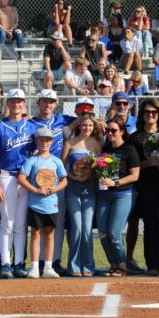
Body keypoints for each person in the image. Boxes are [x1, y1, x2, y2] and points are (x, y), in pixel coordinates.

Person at [0, 88, 36, 278]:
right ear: (7, 103)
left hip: (24, 178)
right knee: (7, 223)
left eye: (20, 101)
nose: (16, 104)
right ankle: (5, 264)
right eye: (13, 101)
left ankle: (19, 263)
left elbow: (36, 155)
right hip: (6, 176)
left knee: (21, 224)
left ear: (24, 104)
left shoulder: (31, 128)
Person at [17, 128, 67, 279]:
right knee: (35, 234)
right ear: (36, 141)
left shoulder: (56, 161)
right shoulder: (31, 160)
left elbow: (64, 180)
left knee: (50, 234)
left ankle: (48, 267)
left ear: (52, 142)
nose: (44, 142)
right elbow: (21, 178)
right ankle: (34, 268)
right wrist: (36, 190)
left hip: (51, 204)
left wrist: (55, 189)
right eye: (41, 140)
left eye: (47, 140)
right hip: (35, 204)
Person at [131, 99, 159, 275]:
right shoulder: (135, 137)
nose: (150, 115)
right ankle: (153, 264)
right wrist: (145, 163)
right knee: (151, 224)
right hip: (146, 184)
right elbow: (130, 165)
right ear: (142, 115)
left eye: (154, 112)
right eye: (147, 112)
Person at [96, 120, 141, 276]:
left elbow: (135, 175)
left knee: (114, 233)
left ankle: (122, 265)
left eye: (114, 130)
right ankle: (113, 265)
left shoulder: (129, 149)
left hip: (123, 194)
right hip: (105, 195)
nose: (110, 133)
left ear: (122, 131)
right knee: (102, 233)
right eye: (107, 130)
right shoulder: (105, 149)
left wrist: (115, 182)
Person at [61, 114, 102, 276]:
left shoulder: (97, 145)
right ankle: (74, 265)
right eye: (84, 125)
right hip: (72, 188)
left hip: (89, 189)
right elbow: (61, 166)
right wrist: (72, 176)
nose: (87, 128)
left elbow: (100, 167)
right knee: (77, 227)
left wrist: (89, 175)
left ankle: (88, 265)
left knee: (86, 228)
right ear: (79, 126)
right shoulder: (69, 143)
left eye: (90, 126)